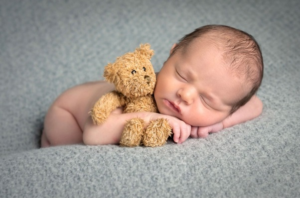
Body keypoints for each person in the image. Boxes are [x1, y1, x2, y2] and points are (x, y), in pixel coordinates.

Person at [41, 25, 263, 147]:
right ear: (171, 55)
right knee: (70, 148)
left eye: (207, 100)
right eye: (182, 76)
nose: (185, 94)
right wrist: (152, 119)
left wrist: (218, 124)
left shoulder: (225, 106)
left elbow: (255, 105)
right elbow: (93, 134)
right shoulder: (136, 91)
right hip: (69, 112)